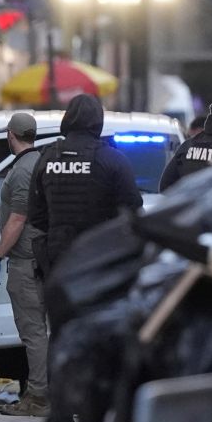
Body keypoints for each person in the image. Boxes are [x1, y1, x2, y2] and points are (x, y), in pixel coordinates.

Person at [28, 94, 142, 319]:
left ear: (68, 119)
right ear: (98, 121)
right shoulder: (113, 160)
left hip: (59, 260)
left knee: (62, 327)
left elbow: (36, 214)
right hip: (101, 258)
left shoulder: (47, 157)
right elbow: (133, 211)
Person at [0, 113, 50, 417]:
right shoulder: (42, 161)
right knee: (43, 331)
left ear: (10, 134)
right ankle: (44, 392)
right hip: (42, 258)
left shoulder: (23, 169)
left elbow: (18, 218)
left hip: (26, 260)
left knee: (33, 332)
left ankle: (38, 397)